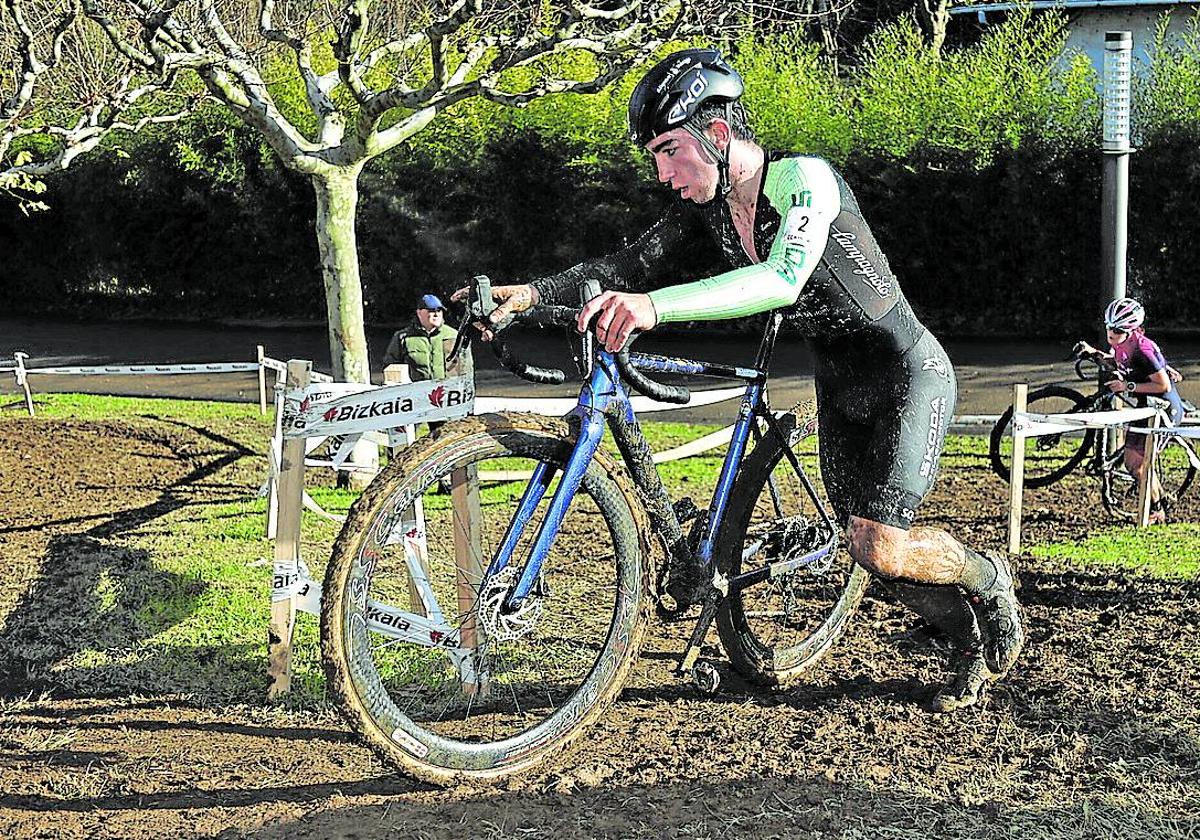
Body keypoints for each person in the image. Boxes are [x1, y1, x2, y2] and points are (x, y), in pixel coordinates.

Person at [462, 48, 1024, 712]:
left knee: (883, 544)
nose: (662, 171)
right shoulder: (710, 210)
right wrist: (528, 294)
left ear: (719, 135)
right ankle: (964, 638)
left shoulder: (803, 181)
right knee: (868, 547)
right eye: (654, 157)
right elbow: (624, 264)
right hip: (839, 380)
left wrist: (654, 307)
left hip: (907, 372)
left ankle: (988, 580)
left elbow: (782, 279)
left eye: (670, 151)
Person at [1076, 297, 1185, 524]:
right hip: (1146, 406)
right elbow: (1118, 363)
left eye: (1116, 330)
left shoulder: (1143, 349)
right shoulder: (1122, 344)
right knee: (1132, 462)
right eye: (1108, 327)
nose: (1111, 334)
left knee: (1138, 463)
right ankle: (1160, 500)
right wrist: (1092, 352)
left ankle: (1158, 511)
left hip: (1164, 409)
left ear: (1131, 330)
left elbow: (1163, 385)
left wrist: (1127, 386)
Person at [382, 293, 472, 385]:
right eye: (431, 311)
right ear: (419, 313)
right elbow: (391, 367)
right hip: (415, 392)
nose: (436, 314)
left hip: (448, 392)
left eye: (439, 310)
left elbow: (466, 368)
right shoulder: (403, 337)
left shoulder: (454, 336)